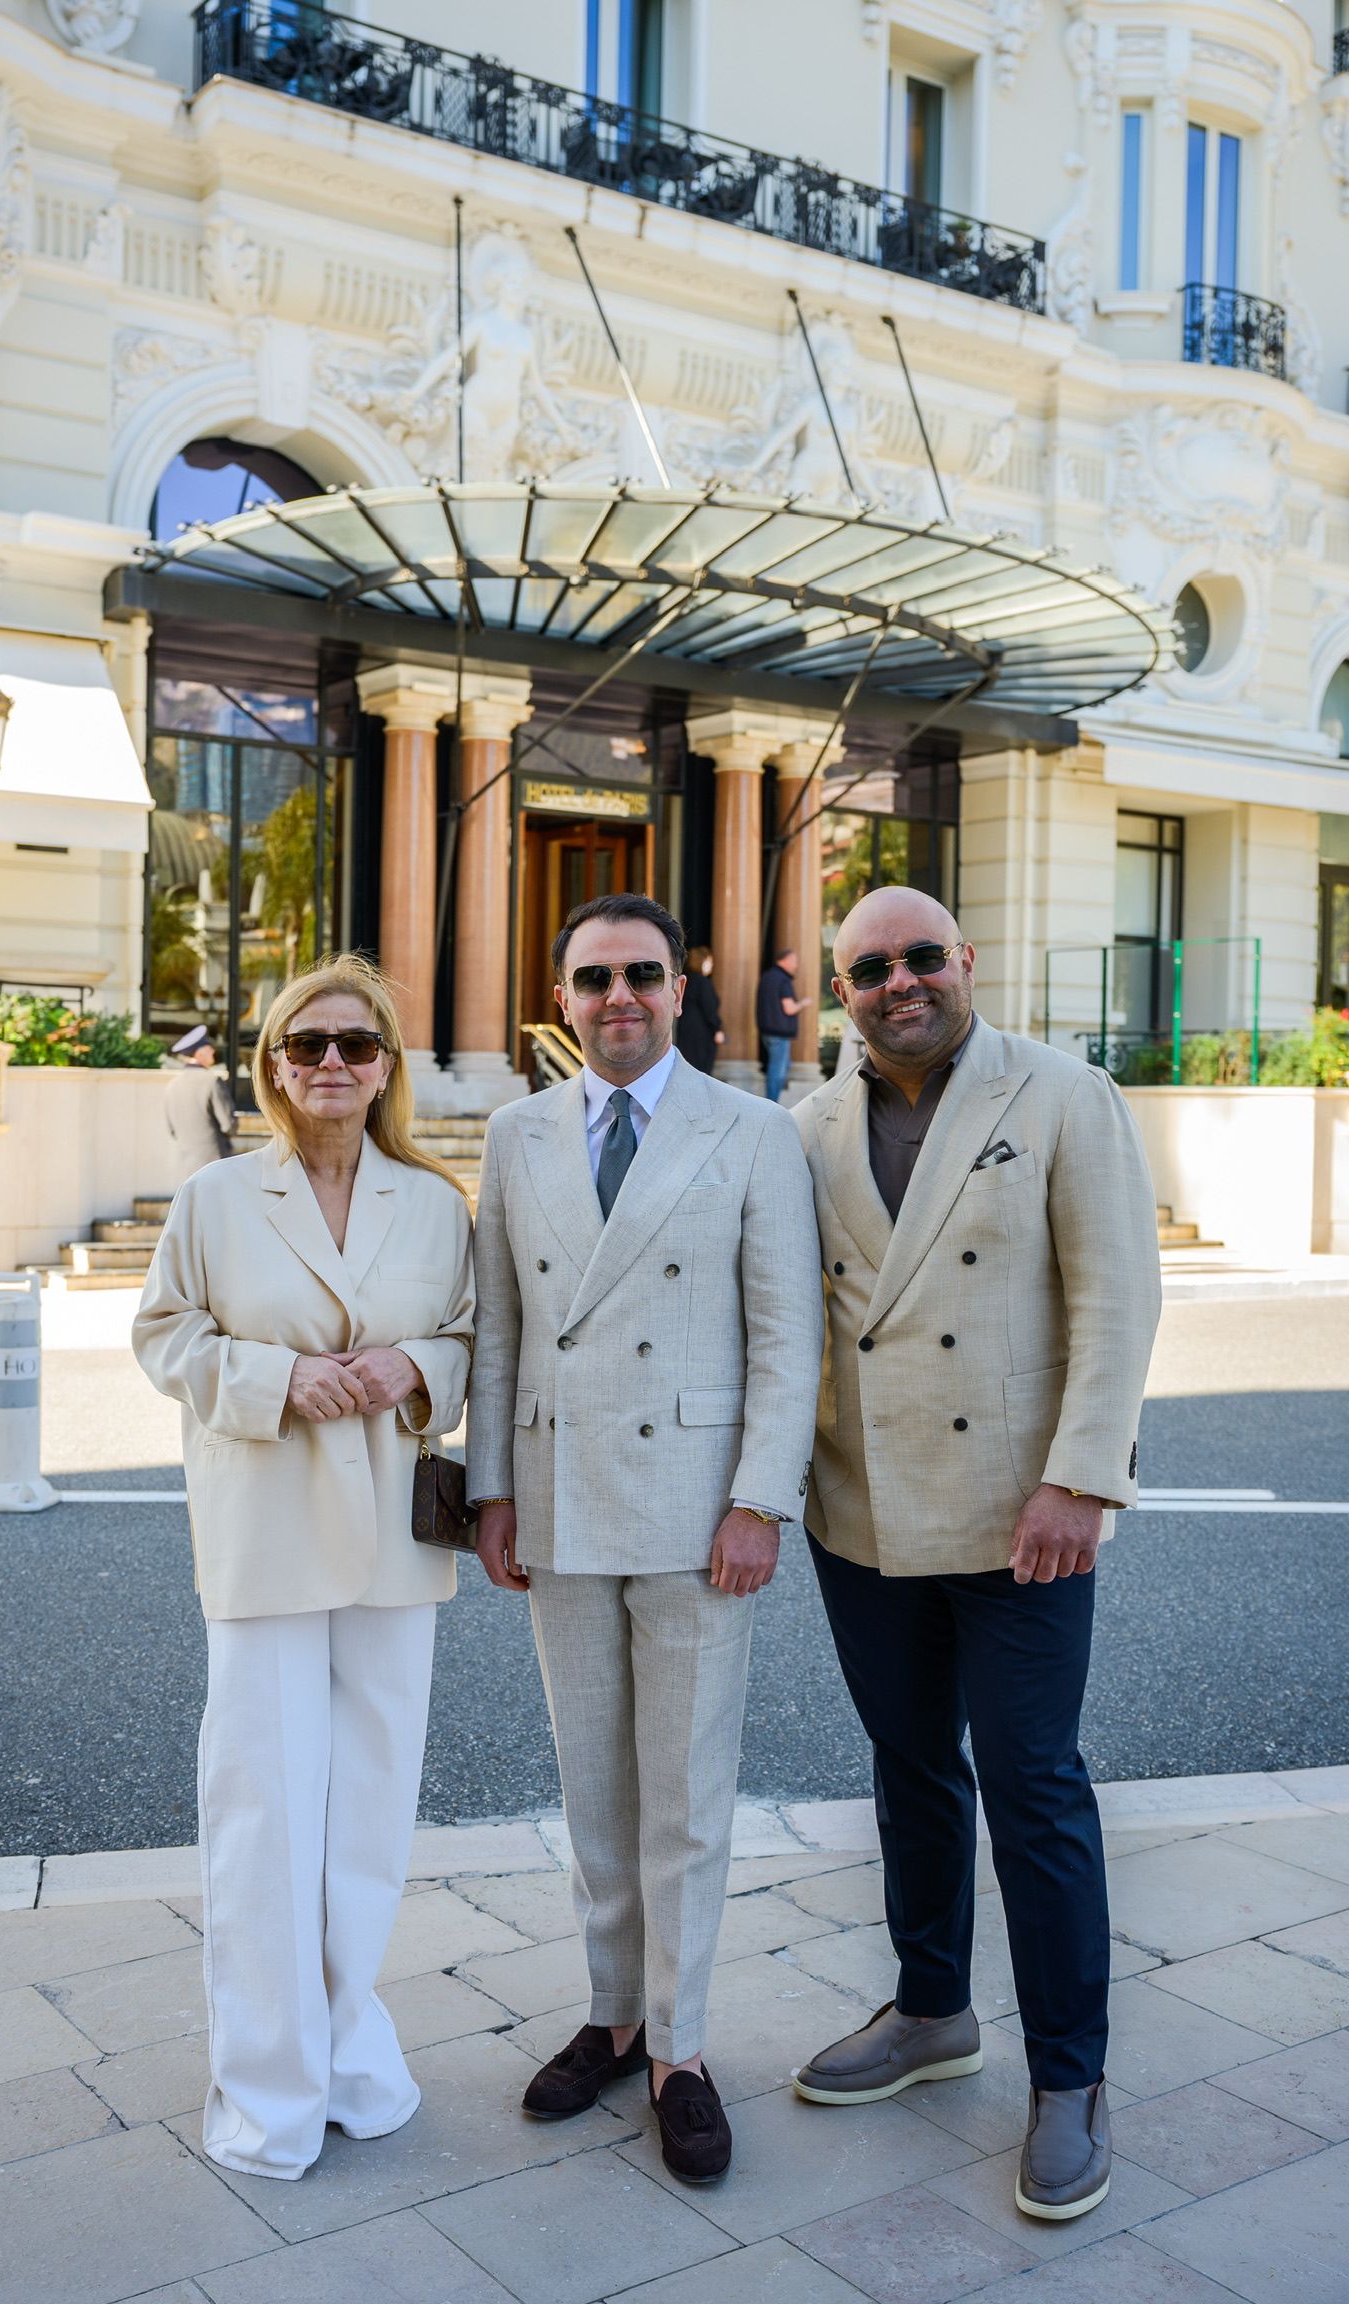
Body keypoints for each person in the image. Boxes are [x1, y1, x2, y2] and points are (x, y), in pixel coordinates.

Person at [792, 886, 1161, 2223]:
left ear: (967, 962)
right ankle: (933, 2010)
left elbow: (1117, 1299)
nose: (901, 982)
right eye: (870, 966)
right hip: (863, 1513)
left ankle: (1072, 2076)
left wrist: (1079, 1479)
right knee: (910, 1771)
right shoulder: (810, 1126)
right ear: (841, 989)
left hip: (1022, 1520)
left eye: (922, 957)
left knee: (1033, 1786)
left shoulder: (1064, 1093)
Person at [467, 892, 824, 2187]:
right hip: (559, 1504)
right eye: (593, 977)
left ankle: (680, 2049)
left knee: (687, 1796)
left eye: (642, 975)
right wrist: (492, 1492)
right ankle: (613, 2017)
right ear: (561, 997)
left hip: (693, 1512)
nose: (619, 997)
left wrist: (759, 1501)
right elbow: (500, 1329)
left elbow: (789, 1337)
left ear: (683, 991)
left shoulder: (753, 1132)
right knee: (595, 1790)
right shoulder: (513, 1134)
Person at [132, 956, 475, 2181]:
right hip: (266, 1528)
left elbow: (480, 1334)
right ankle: (268, 2092)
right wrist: (279, 1379)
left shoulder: (435, 1203)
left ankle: (348, 2052)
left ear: (388, 1066)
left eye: (357, 1044)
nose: (332, 1063)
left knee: (372, 1814)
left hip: (392, 1535)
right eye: (306, 1043)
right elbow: (164, 1334)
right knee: (265, 1813)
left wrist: (418, 1364)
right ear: (273, 1063)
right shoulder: (218, 1199)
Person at [164, 1025, 238, 1180]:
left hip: (186, 1167)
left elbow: (172, 1130)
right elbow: (229, 1125)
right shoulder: (212, 1081)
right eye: (209, 1048)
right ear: (199, 1053)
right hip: (215, 1165)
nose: (213, 1051)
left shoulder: (171, 1086)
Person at [756, 945, 809, 1102]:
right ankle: (772, 1103)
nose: (796, 965)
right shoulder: (783, 980)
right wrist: (804, 1003)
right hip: (779, 1032)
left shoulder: (767, 976)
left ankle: (772, 1102)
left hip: (767, 1030)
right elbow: (790, 1009)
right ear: (784, 960)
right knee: (778, 1071)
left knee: (780, 1066)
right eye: (794, 961)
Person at [675, 945, 724, 1073]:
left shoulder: (686, 980)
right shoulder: (703, 982)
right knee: (701, 1066)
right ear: (703, 961)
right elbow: (709, 1008)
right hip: (701, 1029)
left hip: (685, 1026)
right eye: (709, 961)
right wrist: (717, 1028)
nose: (711, 966)